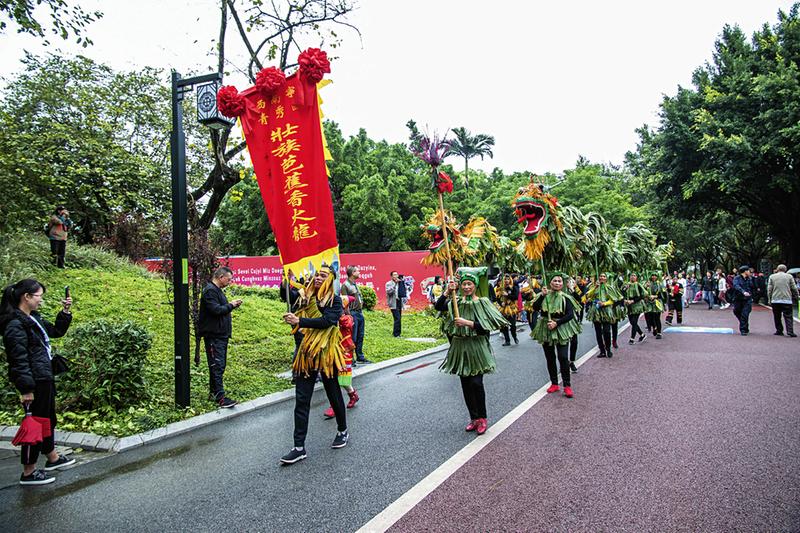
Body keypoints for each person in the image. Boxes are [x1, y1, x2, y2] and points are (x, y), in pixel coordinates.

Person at [1, 279, 74, 485]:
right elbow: (18, 359)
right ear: (26, 297)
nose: (41, 301)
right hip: (34, 380)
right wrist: (26, 389)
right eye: (39, 296)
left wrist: (65, 312)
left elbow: (56, 332)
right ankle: (29, 471)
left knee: (48, 419)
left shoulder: (32, 318)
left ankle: (52, 458)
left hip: (44, 376)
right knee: (35, 424)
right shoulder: (15, 325)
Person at [281, 265, 348, 464]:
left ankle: (342, 430)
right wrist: (286, 279)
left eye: (324, 275)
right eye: (317, 274)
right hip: (306, 353)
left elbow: (328, 321)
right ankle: (299, 447)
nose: (318, 278)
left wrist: (300, 320)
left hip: (326, 353)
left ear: (332, 279)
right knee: (302, 399)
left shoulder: (335, 300)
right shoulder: (305, 295)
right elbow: (287, 297)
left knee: (333, 393)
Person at [435, 267, 508, 436]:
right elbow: (439, 306)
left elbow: (488, 328)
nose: (466, 287)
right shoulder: (456, 301)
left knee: (476, 383)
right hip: (460, 348)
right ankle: (473, 418)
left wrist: (468, 323)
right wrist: (447, 291)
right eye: (464, 284)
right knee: (466, 384)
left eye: (469, 284)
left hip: (477, 347)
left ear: (475, 285)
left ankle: (482, 418)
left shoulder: (483, 302)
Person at [197, 266, 242, 408]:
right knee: (217, 365)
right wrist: (231, 305)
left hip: (220, 335)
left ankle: (214, 393)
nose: (230, 282)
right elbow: (216, 310)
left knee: (218, 365)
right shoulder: (210, 291)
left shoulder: (217, 291)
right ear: (221, 277)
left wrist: (230, 305)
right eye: (228, 279)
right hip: (214, 336)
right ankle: (221, 398)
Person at [531, 272, 580, 398]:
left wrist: (557, 323)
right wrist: (542, 295)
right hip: (546, 328)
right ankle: (554, 383)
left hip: (561, 328)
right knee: (550, 357)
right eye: (555, 281)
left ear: (562, 284)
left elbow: (570, 315)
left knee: (563, 357)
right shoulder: (543, 295)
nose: (557, 283)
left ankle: (567, 385)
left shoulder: (566, 297)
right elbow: (535, 308)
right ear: (550, 283)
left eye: (559, 281)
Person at [323, 295, 360, 418]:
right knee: (339, 378)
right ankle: (353, 395)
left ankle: (334, 406)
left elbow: (346, 324)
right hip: (333, 350)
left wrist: (335, 314)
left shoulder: (348, 318)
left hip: (344, 351)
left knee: (341, 378)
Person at [583, 272, 622, 358]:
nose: (602, 277)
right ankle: (602, 350)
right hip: (596, 311)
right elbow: (588, 296)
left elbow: (613, 300)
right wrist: (595, 287)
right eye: (600, 276)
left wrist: (604, 304)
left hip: (606, 311)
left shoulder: (610, 288)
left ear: (606, 278)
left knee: (607, 331)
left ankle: (608, 349)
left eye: (604, 276)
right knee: (598, 332)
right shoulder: (594, 287)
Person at [341, 266, 370, 364]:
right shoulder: (345, 285)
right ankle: (351, 358)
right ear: (352, 273)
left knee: (360, 335)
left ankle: (360, 356)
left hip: (359, 313)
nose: (359, 272)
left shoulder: (355, 284)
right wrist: (348, 315)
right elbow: (344, 301)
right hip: (352, 313)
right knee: (352, 336)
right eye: (357, 271)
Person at [768, 264, 799, 337]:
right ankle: (790, 331)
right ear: (785, 269)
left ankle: (779, 330)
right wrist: (796, 296)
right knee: (788, 316)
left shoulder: (772, 276)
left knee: (777, 316)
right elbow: (794, 288)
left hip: (775, 299)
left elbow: (769, 289)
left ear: (777, 269)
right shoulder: (789, 276)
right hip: (787, 299)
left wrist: (769, 299)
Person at [494, 274, 520, 346]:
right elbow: (497, 297)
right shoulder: (500, 288)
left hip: (512, 308)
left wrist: (507, 295)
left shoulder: (514, 287)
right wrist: (500, 303)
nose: (506, 281)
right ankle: (507, 340)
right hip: (503, 309)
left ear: (510, 280)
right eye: (505, 279)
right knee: (504, 325)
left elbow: (516, 297)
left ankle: (514, 337)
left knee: (513, 325)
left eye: (508, 279)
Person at [623, 273, 647, 344]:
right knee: (632, 322)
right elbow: (622, 293)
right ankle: (642, 334)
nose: (633, 277)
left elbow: (642, 296)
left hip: (637, 305)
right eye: (631, 276)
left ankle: (632, 339)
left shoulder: (638, 285)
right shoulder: (626, 285)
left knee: (634, 321)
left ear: (636, 277)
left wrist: (633, 301)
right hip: (629, 306)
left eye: (634, 276)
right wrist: (625, 299)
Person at [732, 265, 755, 336]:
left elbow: (753, 287)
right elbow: (736, 286)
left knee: (745, 313)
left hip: (747, 299)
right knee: (736, 311)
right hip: (738, 298)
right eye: (748, 271)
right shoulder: (737, 278)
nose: (749, 272)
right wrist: (743, 292)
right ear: (745, 271)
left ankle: (743, 330)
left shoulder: (750, 279)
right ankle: (743, 323)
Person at [644, 272, 666, 339]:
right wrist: (645, 287)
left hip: (657, 302)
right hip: (649, 303)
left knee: (657, 318)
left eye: (655, 276)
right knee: (650, 317)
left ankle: (659, 333)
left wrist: (655, 296)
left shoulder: (660, 284)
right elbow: (643, 293)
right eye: (652, 275)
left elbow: (663, 294)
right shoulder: (647, 283)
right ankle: (654, 327)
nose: (653, 277)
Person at [386, 271, 404, 337]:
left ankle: (398, 333)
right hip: (393, 302)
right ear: (391, 276)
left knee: (399, 318)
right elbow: (389, 292)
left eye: (397, 274)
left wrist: (401, 282)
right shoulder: (388, 283)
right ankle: (396, 334)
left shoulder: (399, 283)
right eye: (394, 275)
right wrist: (395, 284)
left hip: (399, 301)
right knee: (397, 318)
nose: (396, 276)